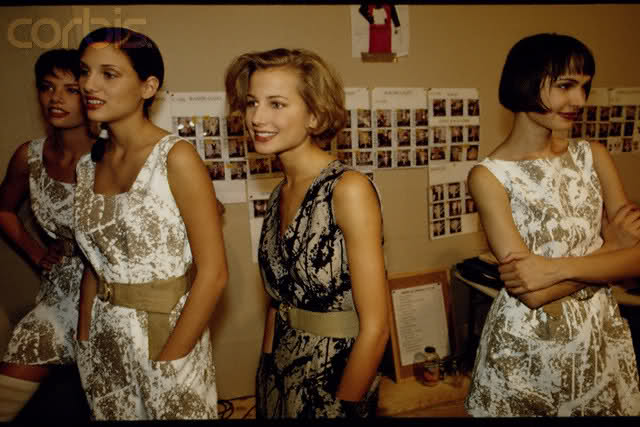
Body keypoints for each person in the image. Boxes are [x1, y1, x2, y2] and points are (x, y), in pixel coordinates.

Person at [465, 33, 640, 417]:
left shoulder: (595, 156)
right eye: (565, 86)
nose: (579, 100)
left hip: (599, 336)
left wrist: (553, 270)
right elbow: (531, 292)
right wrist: (611, 250)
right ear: (524, 83)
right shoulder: (489, 177)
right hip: (529, 345)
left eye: (584, 87)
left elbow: (638, 260)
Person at [225, 48, 389, 418]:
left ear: (314, 115)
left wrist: (344, 405)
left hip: (336, 378)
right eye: (252, 102)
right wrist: (266, 379)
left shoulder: (348, 189)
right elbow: (278, 301)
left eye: (277, 104)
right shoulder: (278, 193)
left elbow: (377, 327)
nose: (257, 117)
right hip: (280, 375)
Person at [73, 27, 228, 420]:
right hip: (104, 341)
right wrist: (85, 337)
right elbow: (93, 262)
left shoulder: (176, 157)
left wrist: (173, 357)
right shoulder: (86, 166)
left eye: (108, 74)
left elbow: (213, 274)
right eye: (85, 71)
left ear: (148, 87)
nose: (89, 85)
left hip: (167, 334)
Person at [0, 49, 94, 422]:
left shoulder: (117, 155)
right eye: (47, 87)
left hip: (114, 297)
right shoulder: (29, 156)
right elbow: (4, 209)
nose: (55, 98)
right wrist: (36, 252)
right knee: (8, 395)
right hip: (60, 294)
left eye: (70, 89)